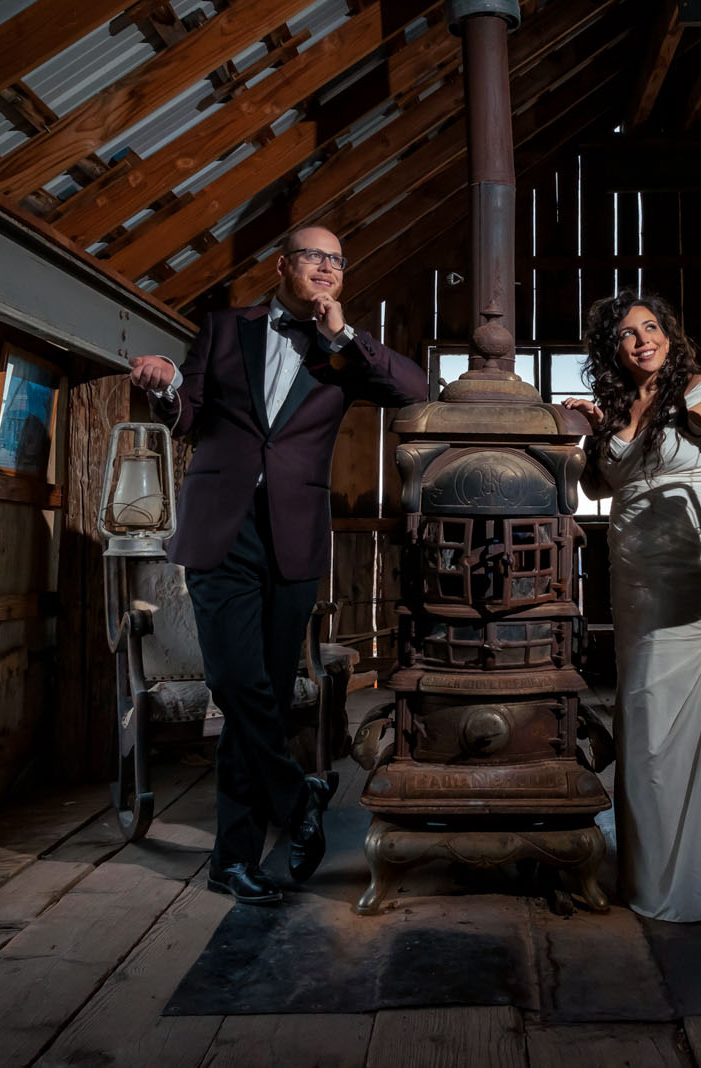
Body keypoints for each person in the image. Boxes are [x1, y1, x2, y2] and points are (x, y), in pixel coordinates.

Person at [130, 226, 427, 905]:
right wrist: (166, 387)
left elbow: (412, 389)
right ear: (282, 264)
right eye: (312, 256)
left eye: (336, 260)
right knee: (237, 684)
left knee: (257, 691)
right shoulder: (224, 327)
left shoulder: (339, 350)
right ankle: (300, 796)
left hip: (292, 536)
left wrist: (342, 335)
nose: (325, 267)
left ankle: (231, 861)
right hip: (221, 530)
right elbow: (188, 414)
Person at [560, 291, 701, 922]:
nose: (642, 340)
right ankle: (653, 867)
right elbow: (600, 483)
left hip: (694, 554)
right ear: (612, 350)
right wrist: (587, 431)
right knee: (642, 702)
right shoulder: (617, 408)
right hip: (632, 565)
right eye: (627, 334)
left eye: (651, 327)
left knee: (675, 698)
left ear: (668, 333)